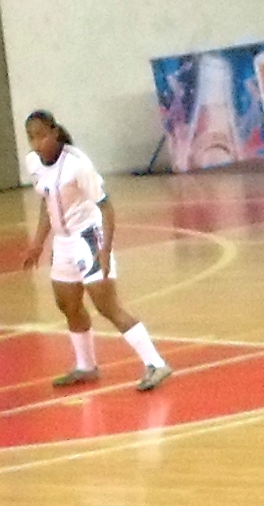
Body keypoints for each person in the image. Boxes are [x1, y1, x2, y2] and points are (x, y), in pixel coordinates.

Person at [19, 111, 169, 392]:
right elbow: (47, 201)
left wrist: (105, 250)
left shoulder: (78, 164)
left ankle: (155, 363)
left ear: (54, 133)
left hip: (87, 237)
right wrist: (38, 243)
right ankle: (86, 366)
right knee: (68, 305)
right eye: (31, 138)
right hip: (62, 242)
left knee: (106, 306)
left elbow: (106, 207)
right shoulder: (34, 163)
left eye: (41, 136)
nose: (37, 143)